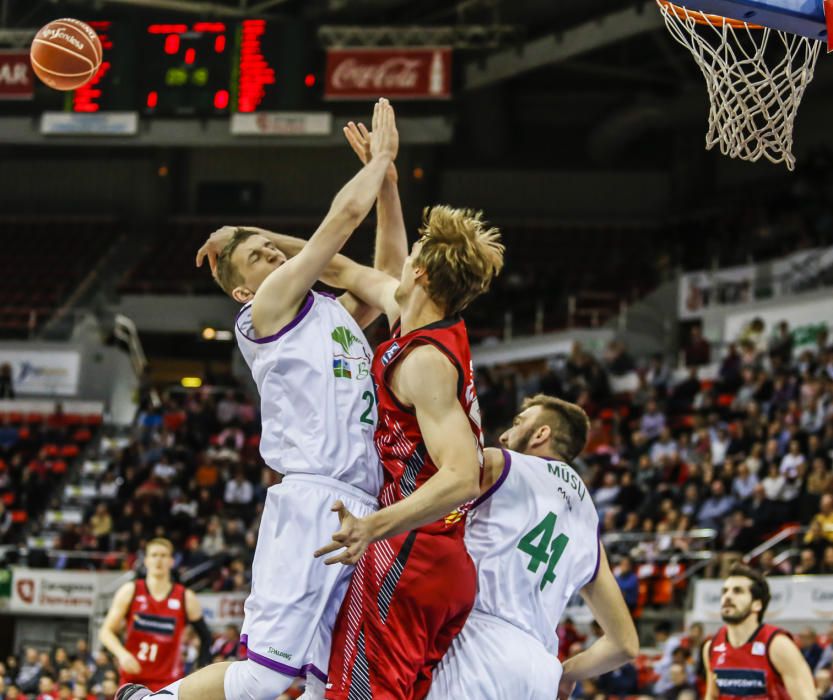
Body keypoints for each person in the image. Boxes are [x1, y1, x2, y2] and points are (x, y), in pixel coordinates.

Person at [118, 99, 399, 700]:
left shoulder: (334, 313)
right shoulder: (264, 313)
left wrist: (390, 184)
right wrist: (380, 160)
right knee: (264, 677)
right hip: (310, 501)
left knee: (334, 683)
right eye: (260, 257)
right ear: (245, 288)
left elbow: (386, 272)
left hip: (363, 508)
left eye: (275, 250)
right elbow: (342, 220)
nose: (274, 255)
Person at [307, 141, 504, 695]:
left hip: (411, 553)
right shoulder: (420, 323)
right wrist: (388, 185)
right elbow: (346, 268)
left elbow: (462, 475)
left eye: (413, 250)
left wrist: (375, 526)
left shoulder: (422, 364)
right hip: (442, 562)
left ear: (419, 273)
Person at [425, 394, 638, 699]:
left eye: (518, 423)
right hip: (540, 671)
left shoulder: (502, 464)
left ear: (541, 434)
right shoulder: (590, 525)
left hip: (478, 645)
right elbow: (625, 644)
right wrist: (565, 674)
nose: (505, 434)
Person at [99, 538, 211, 691]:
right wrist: (122, 654)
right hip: (133, 682)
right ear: (146, 560)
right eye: (154, 555)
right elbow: (105, 631)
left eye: (164, 555)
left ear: (172, 561)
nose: (159, 560)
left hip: (170, 683)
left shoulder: (186, 597)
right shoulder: (130, 590)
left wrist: (201, 668)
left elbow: (205, 637)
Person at [702, 563, 815, 699]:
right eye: (725, 591)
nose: (728, 596)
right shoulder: (711, 647)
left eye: (738, 591)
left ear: (757, 605)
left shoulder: (778, 646)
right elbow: (712, 696)